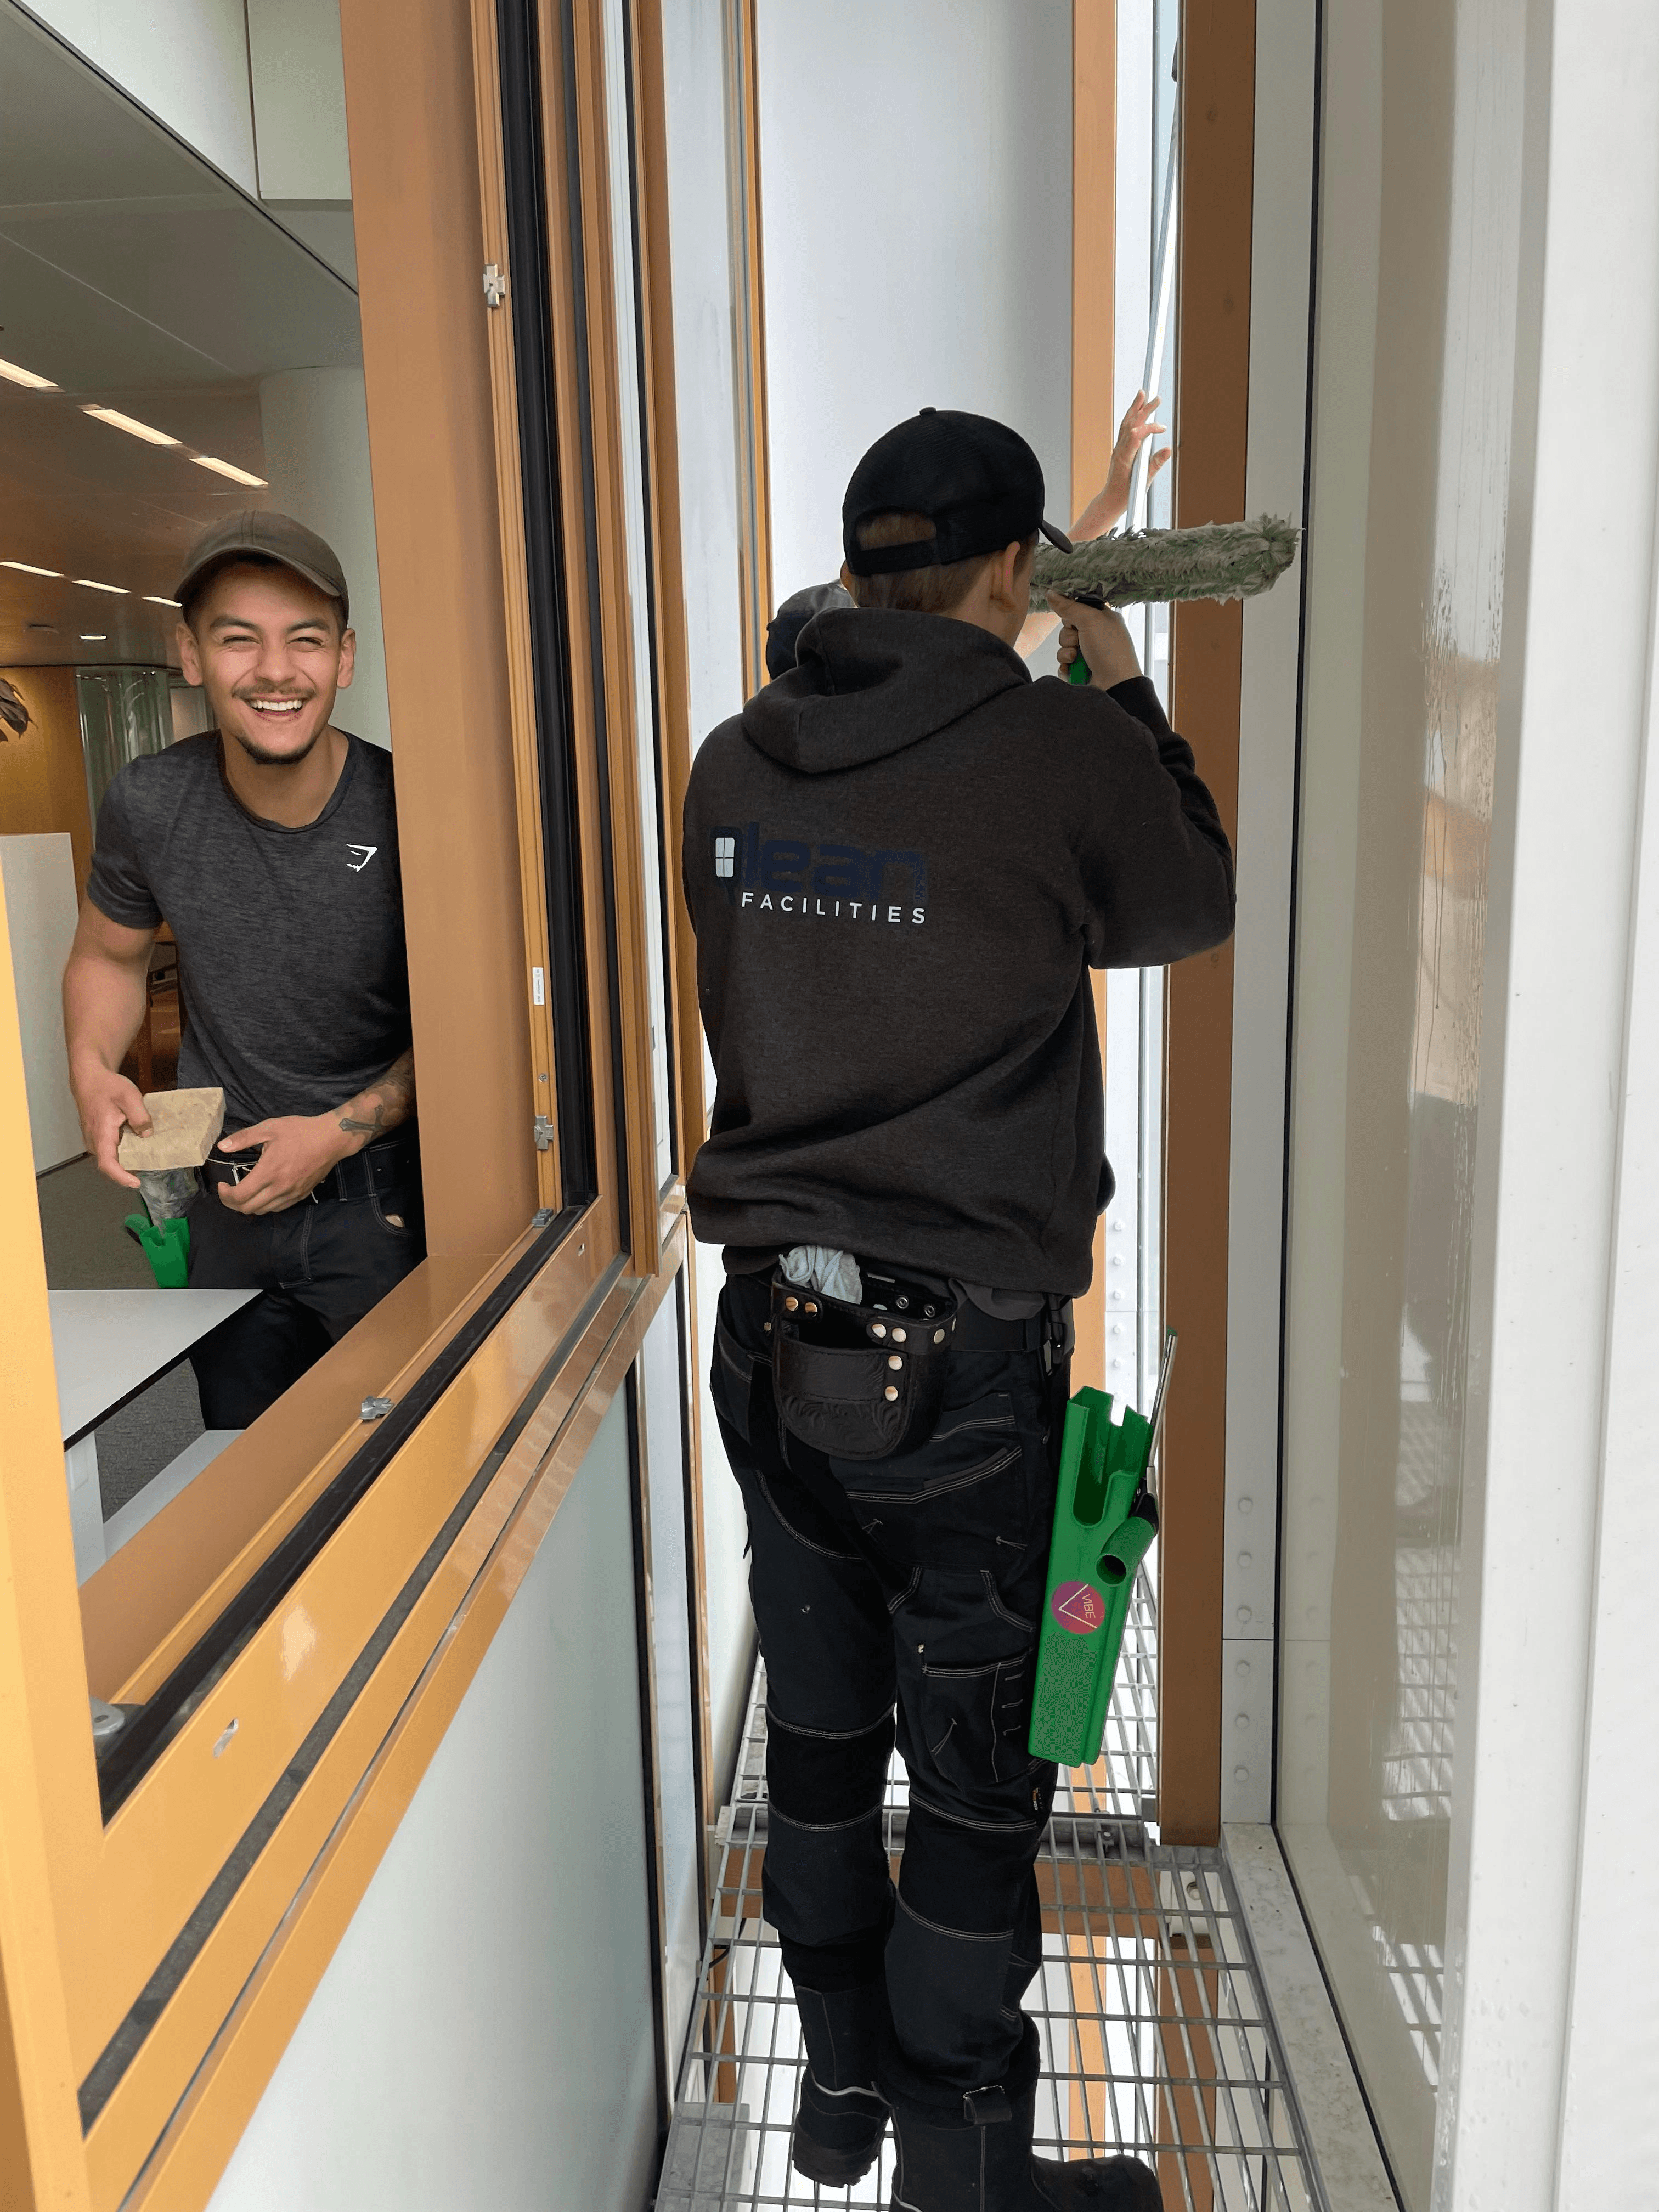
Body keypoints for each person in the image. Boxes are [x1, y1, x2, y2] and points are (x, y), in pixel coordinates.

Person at [682, 408, 1234, 2211]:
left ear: (856, 562)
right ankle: (968, 2180)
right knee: (977, 1782)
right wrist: (1125, 675)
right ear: (1017, 573)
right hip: (962, 1372)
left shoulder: (729, 765)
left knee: (823, 1742)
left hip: (767, 1343)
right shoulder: (1059, 751)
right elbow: (1184, 899)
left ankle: (834, 2103)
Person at [64, 511, 422, 1427]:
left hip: (380, 1207)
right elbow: (109, 953)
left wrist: (340, 1132)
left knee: (400, 1475)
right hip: (223, 1206)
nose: (274, 670)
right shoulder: (151, 801)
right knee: (242, 1472)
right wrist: (93, 1070)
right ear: (190, 654)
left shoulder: (407, 810)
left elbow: (474, 1028)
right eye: (238, 640)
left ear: (344, 658)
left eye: (304, 640)